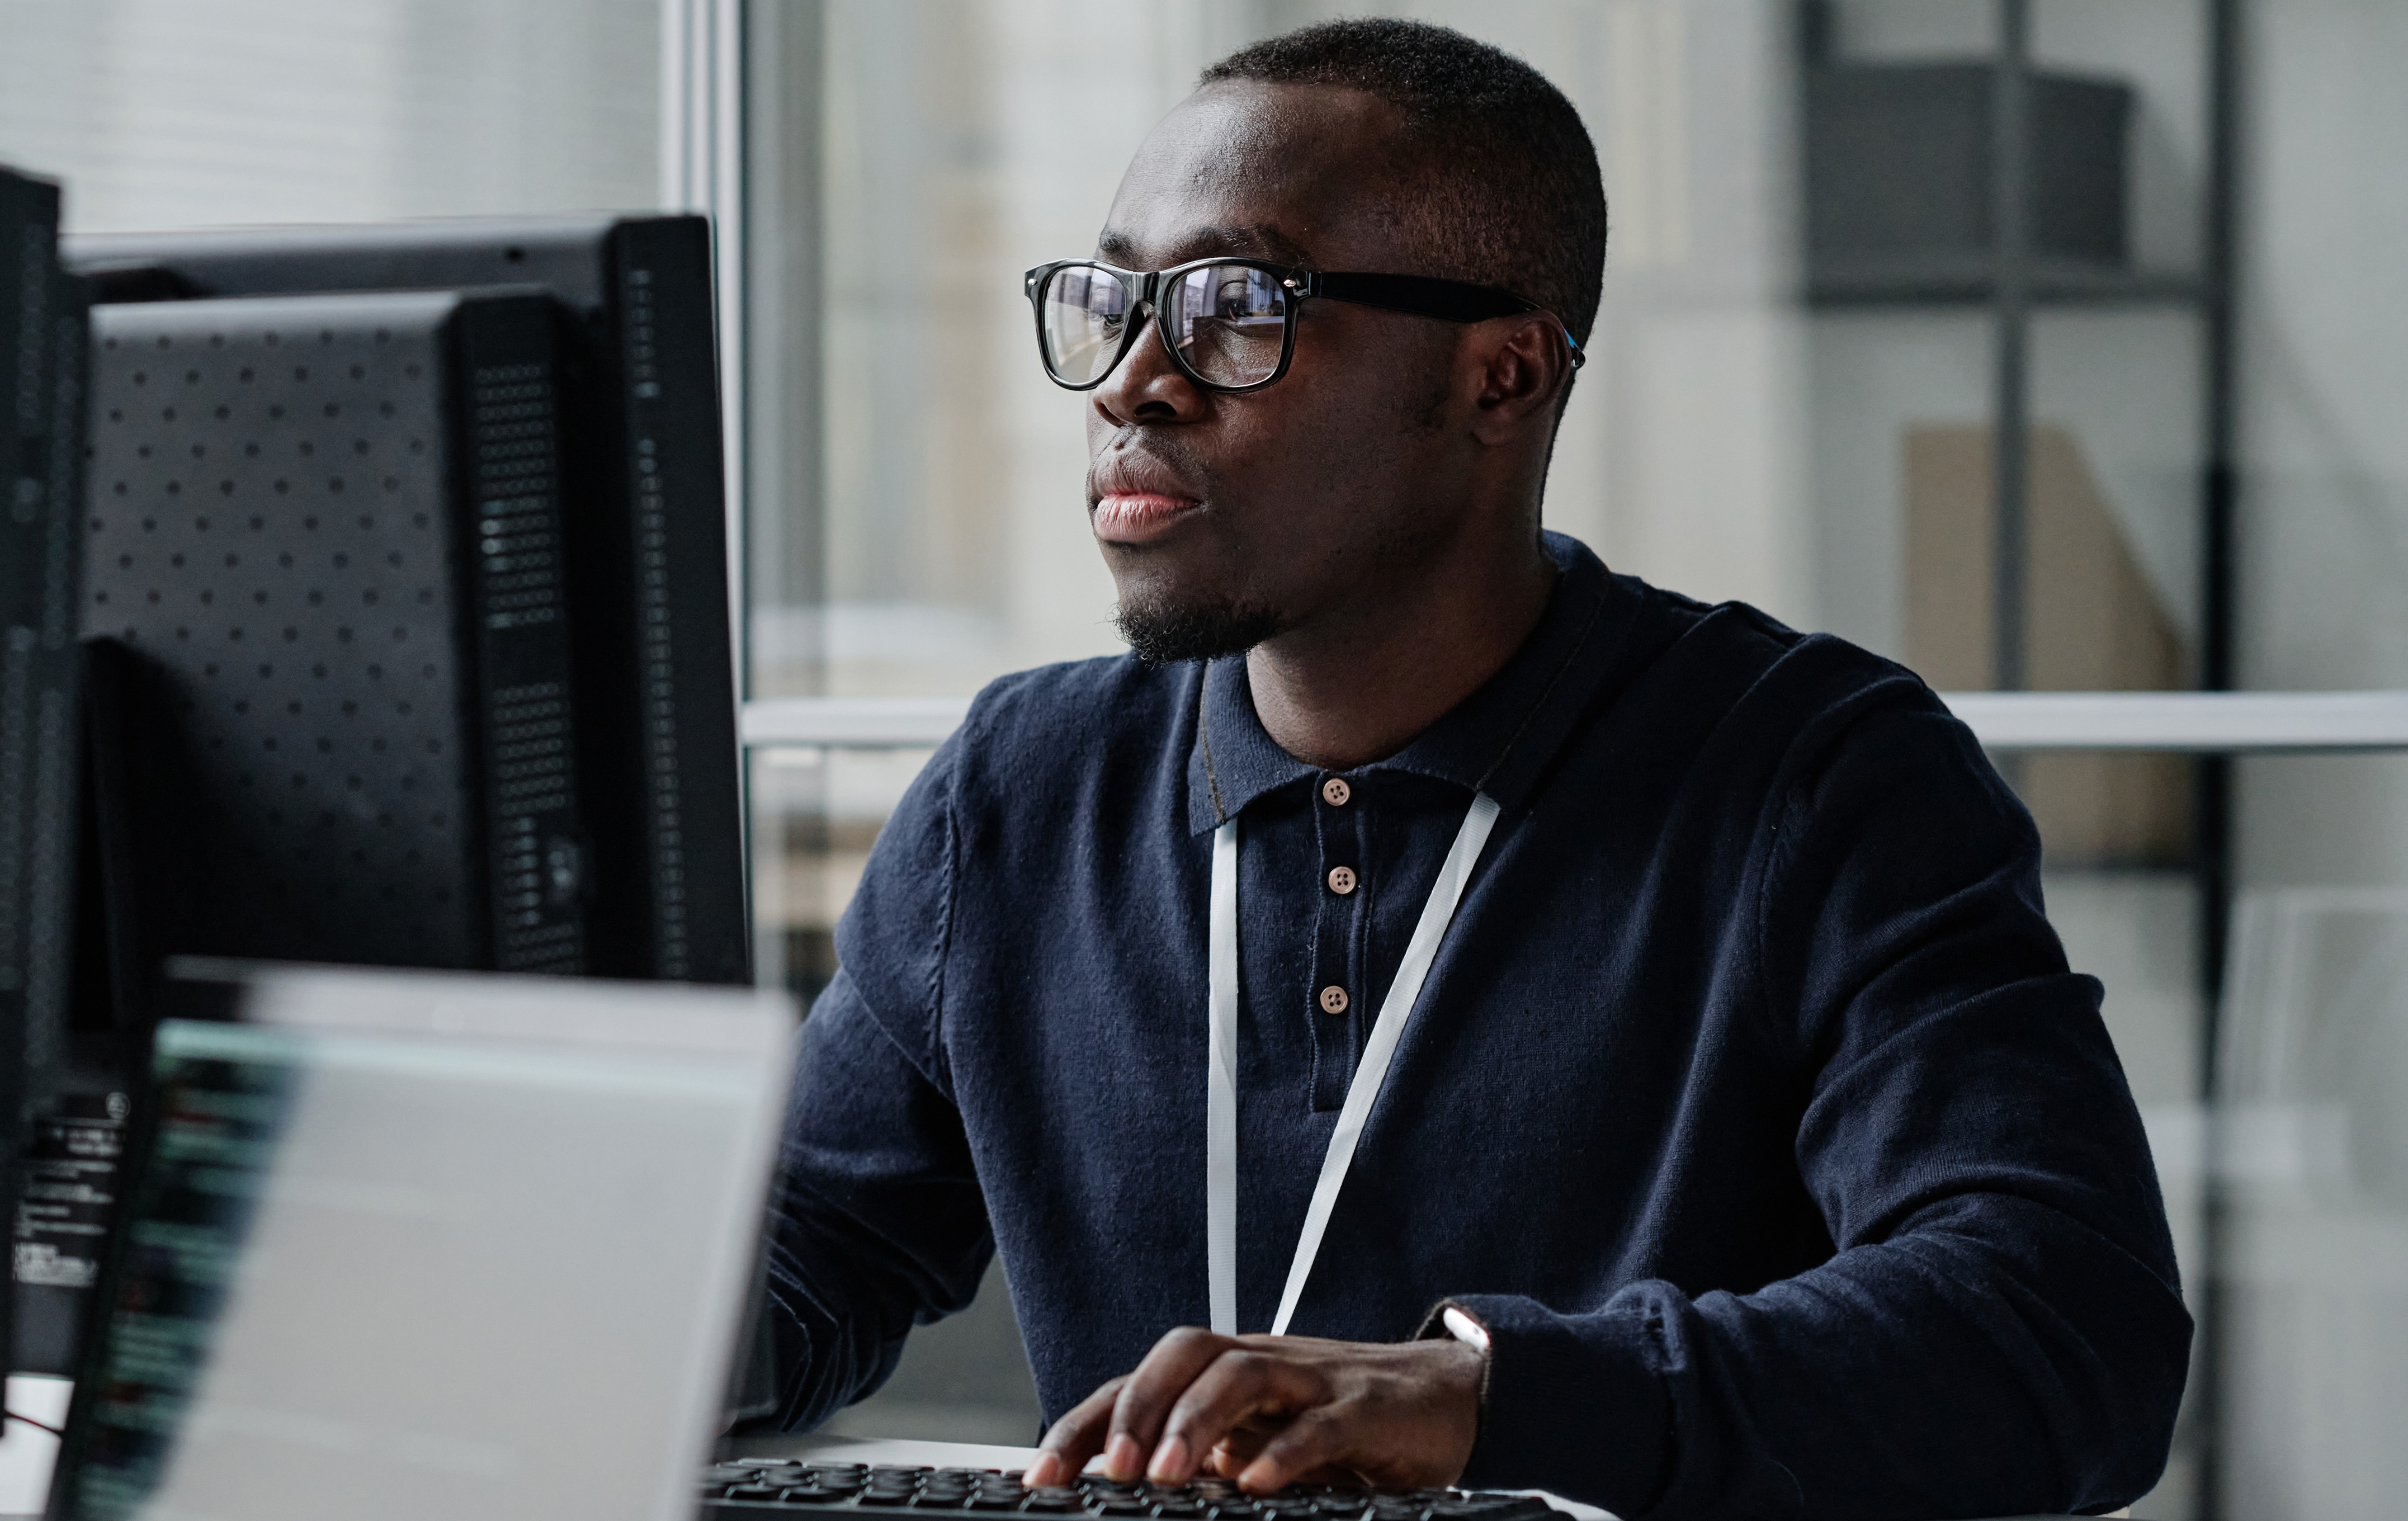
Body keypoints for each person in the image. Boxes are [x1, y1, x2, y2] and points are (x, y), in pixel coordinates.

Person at [748, 18, 2190, 1521]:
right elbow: (794, 1261)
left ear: (1503, 379)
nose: (1133, 381)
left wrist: (1492, 1398)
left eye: (1239, 307)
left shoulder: (1815, 780)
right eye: (1114, 299)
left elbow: (2062, 1329)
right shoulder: (1021, 792)